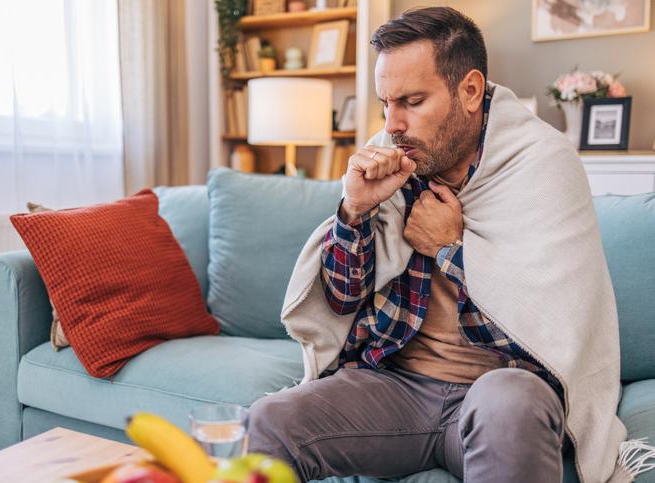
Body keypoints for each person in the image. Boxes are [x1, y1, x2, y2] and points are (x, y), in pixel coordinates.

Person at [247, 7, 641, 483]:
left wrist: (448, 248)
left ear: (470, 90)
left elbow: (550, 335)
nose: (393, 124)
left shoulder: (543, 163)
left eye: (412, 101)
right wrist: (353, 213)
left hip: (500, 391)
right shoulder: (390, 157)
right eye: (385, 103)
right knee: (267, 423)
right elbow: (341, 300)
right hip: (397, 387)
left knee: (510, 402)